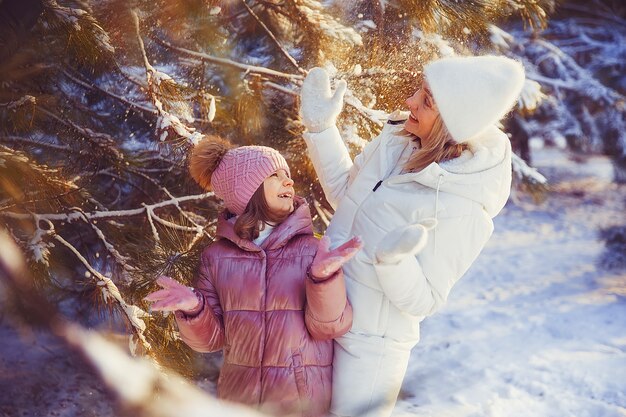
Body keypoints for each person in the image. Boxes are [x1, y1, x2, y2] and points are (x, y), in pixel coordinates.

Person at [299, 55, 526, 417]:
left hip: (369, 344)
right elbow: (346, 195)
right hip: (322, 305)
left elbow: (427, 299)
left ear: (453, 123)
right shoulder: (397, 143)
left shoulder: (463, 206)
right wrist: (321, 128)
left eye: (427, 100)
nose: (410, 102)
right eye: (420, 90)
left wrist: (394, 261)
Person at [144, 136, 362, 417]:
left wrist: (323, 279)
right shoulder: (216, 257)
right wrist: (194, 309)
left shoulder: (312, 249)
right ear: (245, 191)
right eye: (275, 174)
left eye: (288, 175)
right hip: (238, 402)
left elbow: (329, 327)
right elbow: (211, 340)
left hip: (299, 403)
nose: (289, 182)